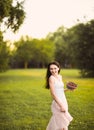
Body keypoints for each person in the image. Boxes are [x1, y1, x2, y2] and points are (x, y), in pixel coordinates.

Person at [45, 61, 73, 130]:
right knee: (61, 124)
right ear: (49, 70)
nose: (53, 70)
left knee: (62, 124)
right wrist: (60, 105)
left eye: (55, 68)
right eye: (51, 69)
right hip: (58, 103)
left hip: (64, 101)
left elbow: (60, 90)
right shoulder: (51, 78)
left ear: (58, 68)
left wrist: (69, 89)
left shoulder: (60, 77)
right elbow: (53, 94)